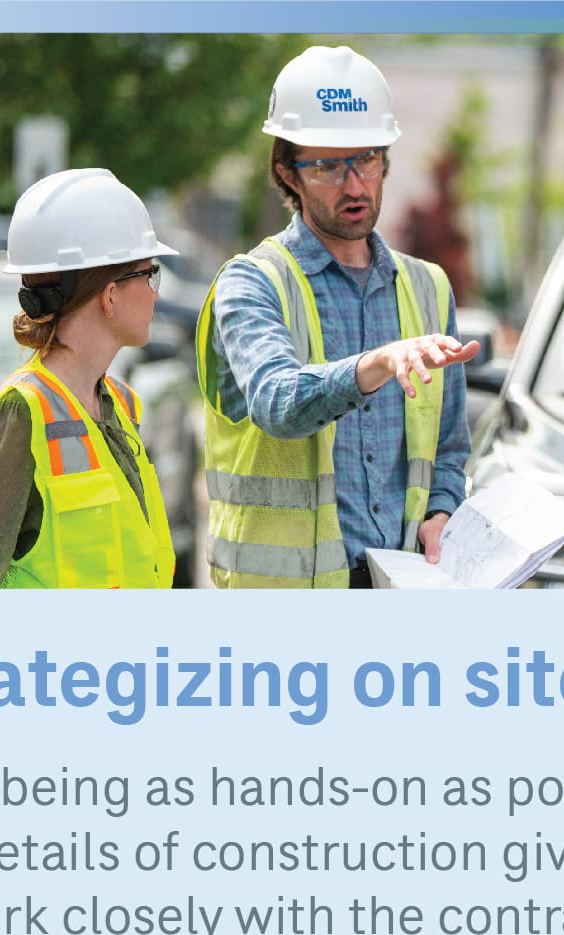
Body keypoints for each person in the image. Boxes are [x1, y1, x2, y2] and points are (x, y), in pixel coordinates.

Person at [198, 45, 481, 588]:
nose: (354, 186)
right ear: (287, 172)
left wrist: (442, 510)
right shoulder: (253, 282)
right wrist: (374, 365)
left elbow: (447, 446)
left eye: (367, 160)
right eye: (327, 166)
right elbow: (276, 402)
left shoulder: (428, 287)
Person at [0, 168, 177, 588]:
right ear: (110, 295)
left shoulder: (120, 403)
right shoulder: (21, 415)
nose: (156, 292)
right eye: (149, 274)